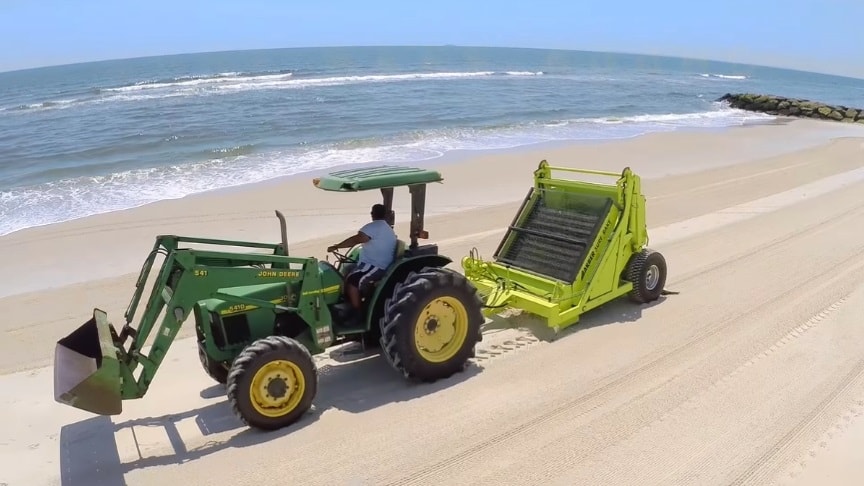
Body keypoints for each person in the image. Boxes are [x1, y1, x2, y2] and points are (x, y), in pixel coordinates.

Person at [327, 203, 397, 312]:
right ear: (385, 214)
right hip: (372, 263)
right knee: (345, 271)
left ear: (372, 214)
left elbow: (356, 240)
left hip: (376, 265)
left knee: (352, 282)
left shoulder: (373, 227)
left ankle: (357, 312)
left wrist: (337, 246)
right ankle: (346, 302)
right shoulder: (386, 228)